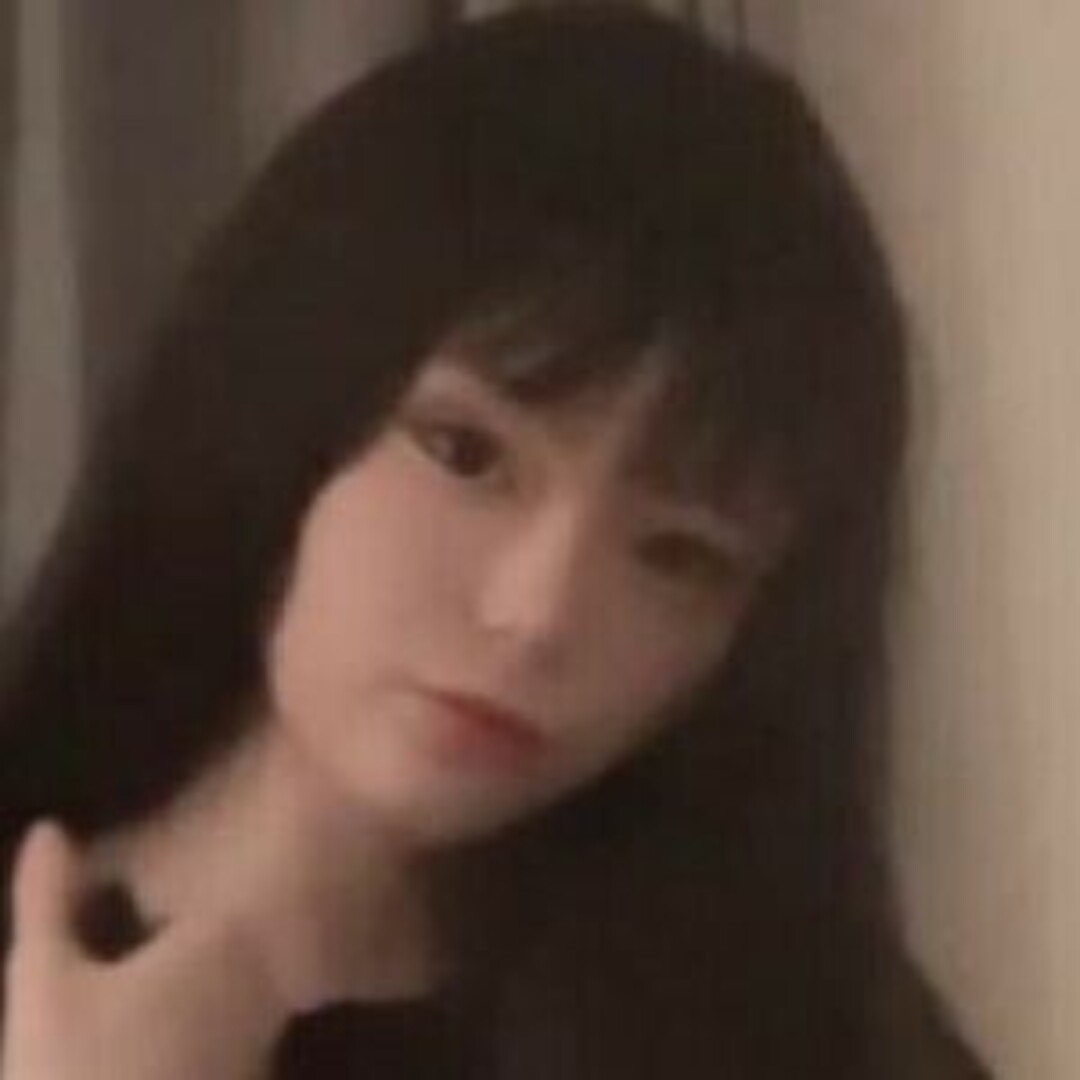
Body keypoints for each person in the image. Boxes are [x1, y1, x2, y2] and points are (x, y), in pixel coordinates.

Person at [0, 6, 990, 1078]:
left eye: (678, 554)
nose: (537, 613)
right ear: (283, 397)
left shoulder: (815, 1034)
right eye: (465, 454)